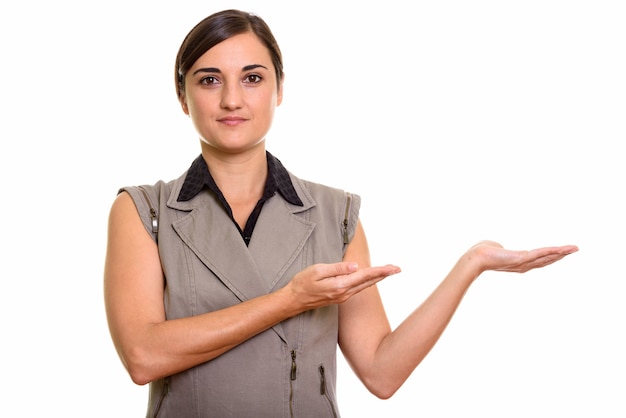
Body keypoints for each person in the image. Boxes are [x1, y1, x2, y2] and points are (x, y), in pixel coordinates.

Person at [103, 9, 578, 417]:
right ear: (183, 97)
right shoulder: (144, 211)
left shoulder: (335, 214)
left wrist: (470, 264)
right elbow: (143, 356)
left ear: (279, 90)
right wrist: (291, 300)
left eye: (252, 77)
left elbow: (381, 371)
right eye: (210, 80)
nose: (232, 99)